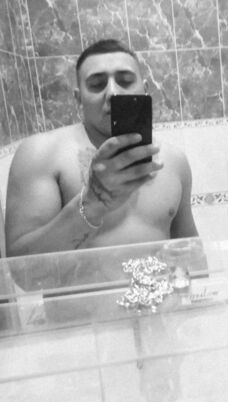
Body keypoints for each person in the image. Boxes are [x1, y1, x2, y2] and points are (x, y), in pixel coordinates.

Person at [5, 39, 198, 256]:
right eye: (97, 85)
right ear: (78, 98)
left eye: (125, 81)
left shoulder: (174, 160)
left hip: (160, 280)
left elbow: (191, 252)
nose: (113, 92)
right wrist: (92, 203)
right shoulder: (41, 154)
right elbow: (20, 265)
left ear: (145, 90)